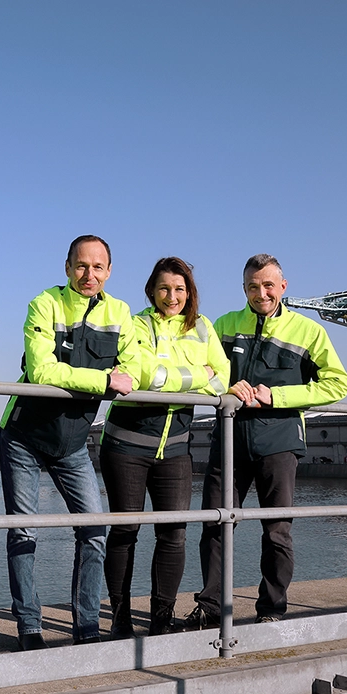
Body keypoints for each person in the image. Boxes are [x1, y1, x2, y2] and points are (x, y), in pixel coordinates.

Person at [185, 254, 347, 627]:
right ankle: (210, 609)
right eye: (254, 286)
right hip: (228, 439)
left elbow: (338, 382)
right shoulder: (224, 325)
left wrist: (278, 396)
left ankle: (271, 610)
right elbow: (202, 369)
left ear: (283, 286)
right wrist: (226, 385)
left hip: (279, 442)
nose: (262, 293)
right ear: (244, 289)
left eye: (269, 285)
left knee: (277, 530)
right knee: (214, 524)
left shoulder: (308, 332)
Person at [0, 235, 141, 649]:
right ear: (67, 267)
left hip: (74, 441)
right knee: (24, 532)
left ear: (109, 272)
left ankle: (87, 626)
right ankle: (29, 628)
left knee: (94, 530)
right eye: (81, 266)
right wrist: (103, 380)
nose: (89, 274)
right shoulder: (45, 303)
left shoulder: (120, 314)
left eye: (98, 267)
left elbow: (131, 370)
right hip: (23, 434)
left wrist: (114, 377)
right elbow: (43, 371)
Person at [100, 257, 228, 637]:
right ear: (151, 291)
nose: (172, 297)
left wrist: (187, 378)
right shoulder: (134, 324)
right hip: (126, 445)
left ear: (189, 292)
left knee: (173, 535)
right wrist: (197, 377)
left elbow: (222, 379)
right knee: (125, 532)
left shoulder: (203, 328)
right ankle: (120, 618)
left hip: (176, 449)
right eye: (164, 289)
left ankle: (160, 619)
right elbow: (142, 376)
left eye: (179, 289)